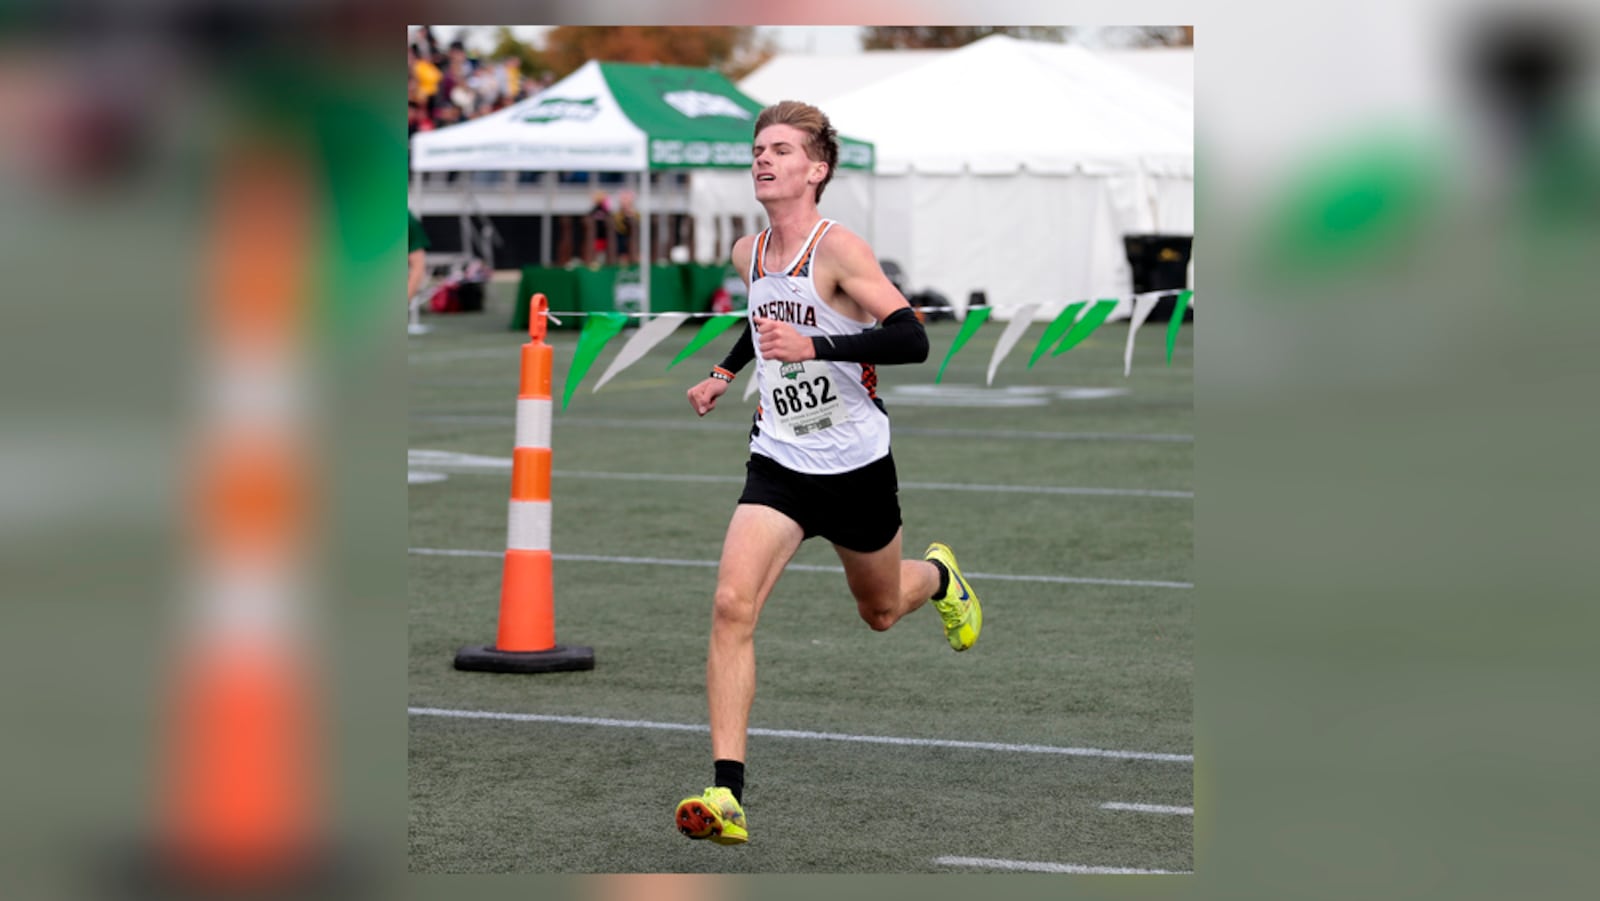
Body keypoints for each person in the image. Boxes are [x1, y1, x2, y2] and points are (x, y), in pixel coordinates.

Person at [674, 101, 984, 846]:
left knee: (880, 609)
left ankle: (939, 577)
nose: (763, 158)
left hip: (856, 466)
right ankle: (726, 793)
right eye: (758, 148)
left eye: (781, 149)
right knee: (731, 605)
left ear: (816, 170)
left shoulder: (838, 249)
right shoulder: (749, 252)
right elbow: (763, 322)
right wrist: (723, 372)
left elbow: (911, 338)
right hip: (779, 459)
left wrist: (816, 348)